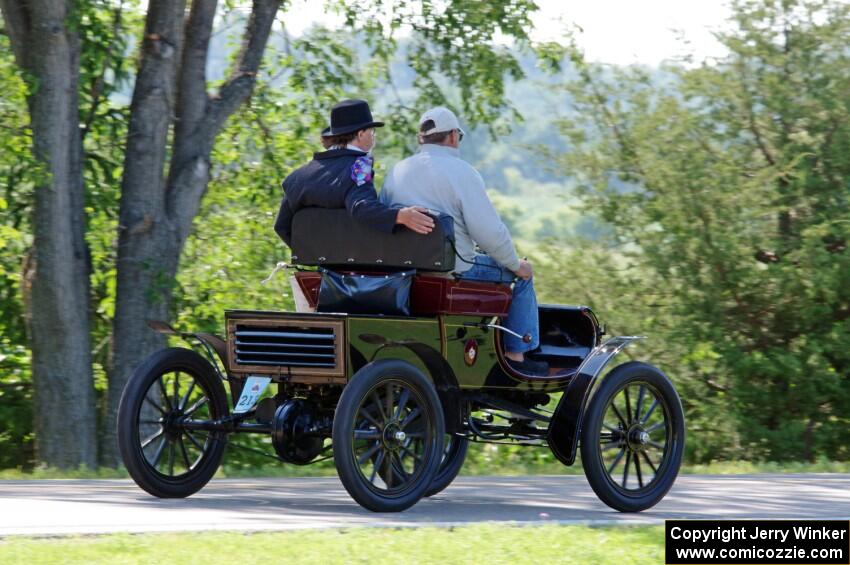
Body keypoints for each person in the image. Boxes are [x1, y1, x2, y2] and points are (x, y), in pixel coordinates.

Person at [380, 107, 547, 375]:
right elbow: (489, 233)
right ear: (453, 138)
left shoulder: (397, 172)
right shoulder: (462, 172)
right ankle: (517, 356)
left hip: (406, 275)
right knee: (523, 276)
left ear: (422, 139)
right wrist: (515, 264)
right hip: (454, 271)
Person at [274, 99, 434, 247]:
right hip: (352, 263)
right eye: (372, 132)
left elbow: (281, 226)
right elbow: (361, 207)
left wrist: (310, 253)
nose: (373, 137)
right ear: (361, 134)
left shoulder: (296, 177)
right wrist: (400, 216)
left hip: (318, 264)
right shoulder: (360, 165)